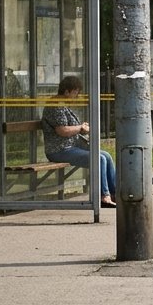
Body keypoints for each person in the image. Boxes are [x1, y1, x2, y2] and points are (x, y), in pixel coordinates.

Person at [42, 75, 117, 208]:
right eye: (75, 91)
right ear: (67, 91)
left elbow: (70, 127)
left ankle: (114, 193)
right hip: (59, 150)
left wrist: (81, 127)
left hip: (70, 147)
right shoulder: (55, 106)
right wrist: (80, 128)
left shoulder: (62, 105)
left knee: (106, 156)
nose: (77, 95)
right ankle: (103, 196)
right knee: (99, 159)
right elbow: (62, 131)